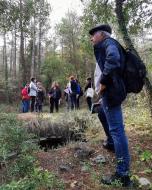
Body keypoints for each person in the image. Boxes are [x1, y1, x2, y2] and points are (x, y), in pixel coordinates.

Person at [89, 24, 131, 187]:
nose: (92, 39)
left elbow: (113, 60)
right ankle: (113, 146)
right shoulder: (108, 44)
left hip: (112, 93)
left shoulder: (108, 43)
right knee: (110, 123)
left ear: (101, 35)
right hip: (110, 94)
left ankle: (123, 174)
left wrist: (104, 83)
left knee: (117, 130)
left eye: (93, 35)